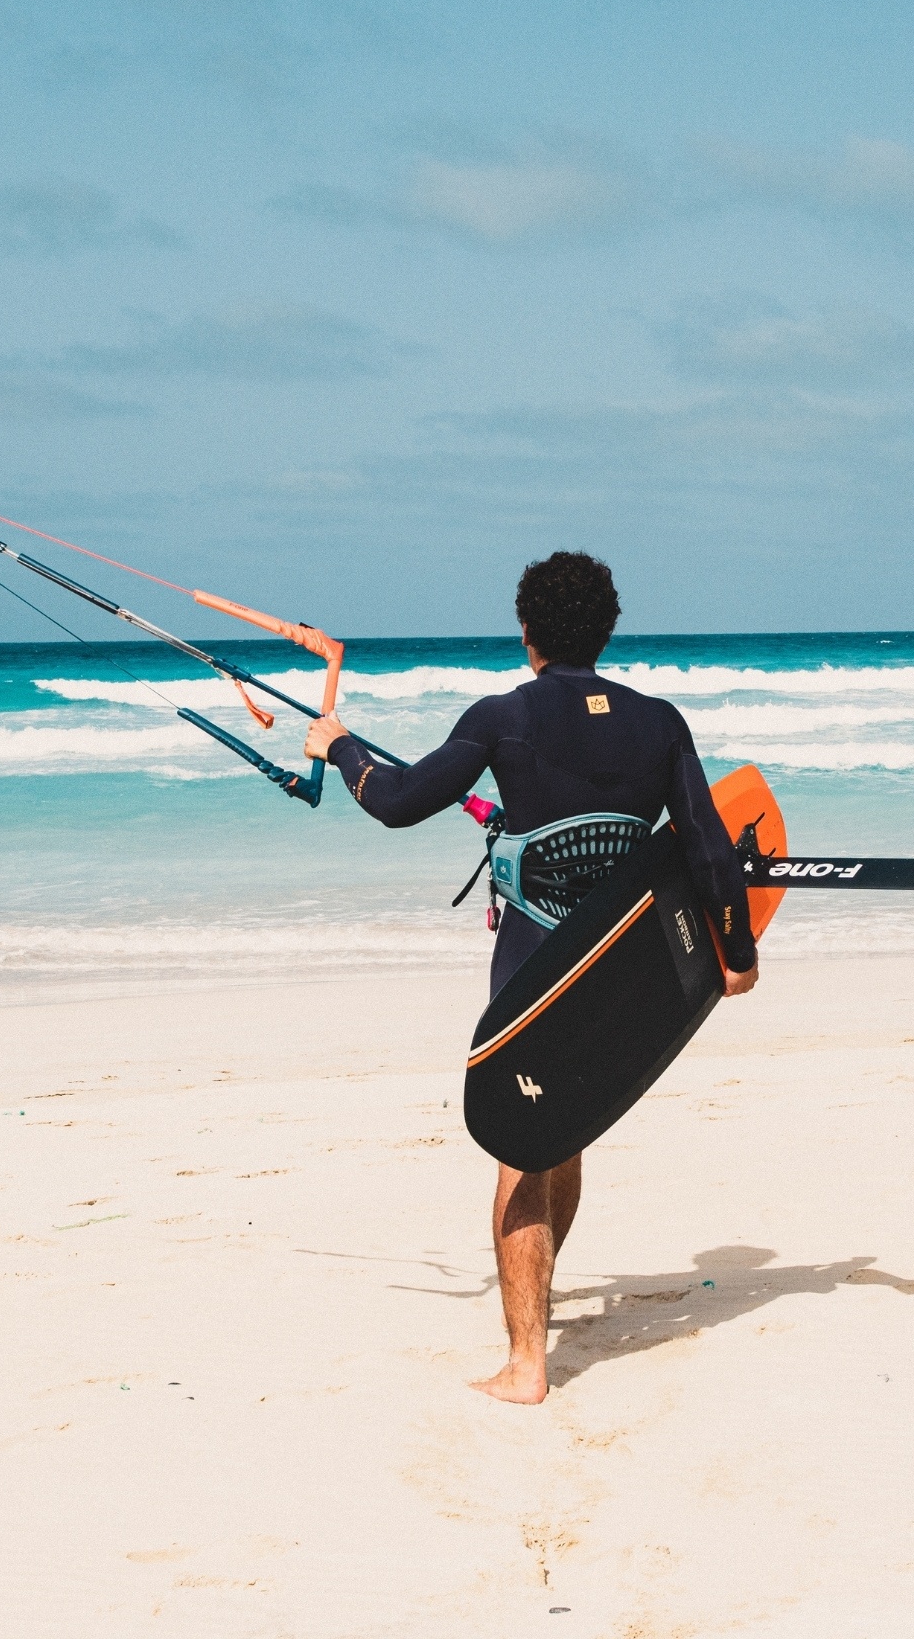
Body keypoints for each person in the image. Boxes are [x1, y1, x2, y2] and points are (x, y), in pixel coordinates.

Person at [303, 550, 759, 1403]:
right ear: (606, 630)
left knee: (519, 1144)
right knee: (566, 1130)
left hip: (531, 965)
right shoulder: (660, 723)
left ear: (527, 633)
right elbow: (707, 845)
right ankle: (536, 1309)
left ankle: (525, 1364)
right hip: (615, 965)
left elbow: (398, 801)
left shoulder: (504, 716)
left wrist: (339, 746)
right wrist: (736, 954)